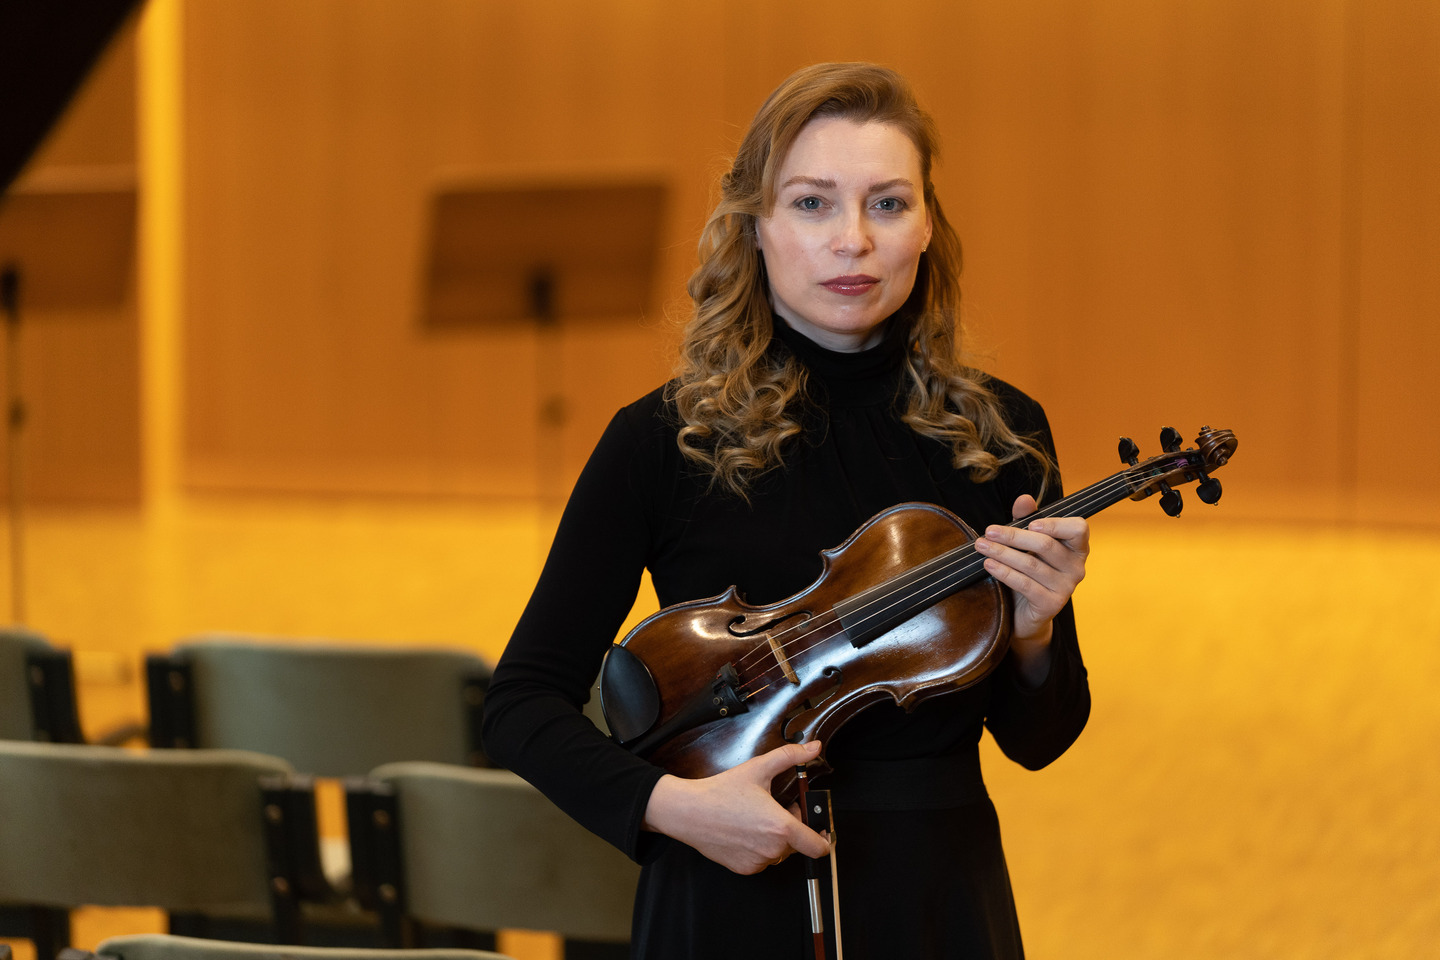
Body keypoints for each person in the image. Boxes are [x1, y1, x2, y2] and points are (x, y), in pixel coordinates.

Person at [482, 61, 1091, 959]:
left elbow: (1039, 740)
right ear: (756, 226)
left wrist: (1035, 633)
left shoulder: (999, 433)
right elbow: (520, 704)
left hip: (937, 895)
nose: (854, 241)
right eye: (812, 203)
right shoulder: (664, 439)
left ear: (927, 226)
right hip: (722, 897)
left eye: (888, 204)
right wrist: (676, 810)